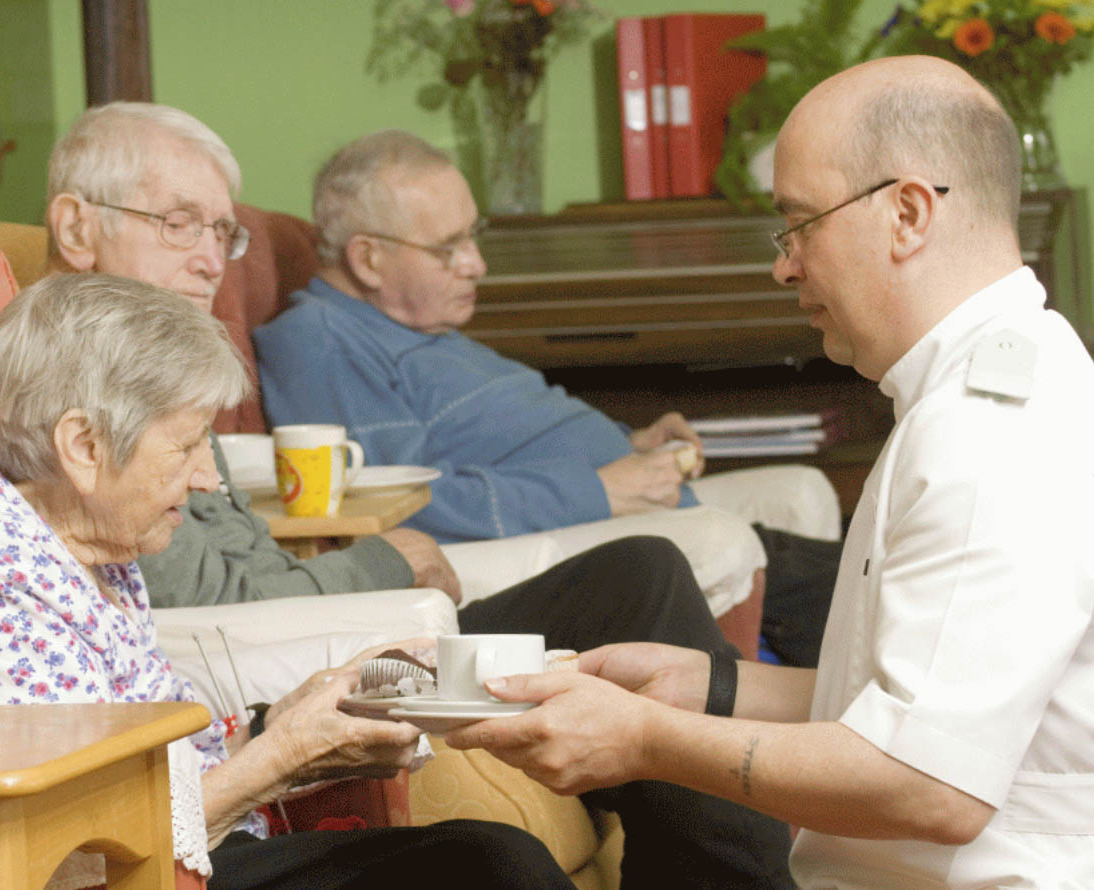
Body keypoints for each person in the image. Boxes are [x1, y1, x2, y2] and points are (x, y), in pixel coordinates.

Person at [42, 101, 796, 889]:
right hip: (300, 669)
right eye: (177, 225)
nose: (209, 260)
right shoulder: (73, 374)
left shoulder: (159, 358)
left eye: (219, 234)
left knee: (640, 572)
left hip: (327, 647)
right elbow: (206, 592)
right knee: (500, 851)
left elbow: (237, 560)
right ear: (76, 227)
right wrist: (384, 560)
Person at [443, 56, 1094, 889]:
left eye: (801, 224)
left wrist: (646, 741)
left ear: (907, 213)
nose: (784, 266)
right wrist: (709, 686)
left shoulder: (985, 433)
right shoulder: (984, 387)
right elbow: (935, 703)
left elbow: (931, 784)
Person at [0, 273, 579, 890]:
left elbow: (138, 762)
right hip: (120, 873)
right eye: (189, 445)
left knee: (482, 859)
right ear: (83, 444)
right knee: (488, 867)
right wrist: (285, 756)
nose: (204, 479)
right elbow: (71, 856)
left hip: (182, 850)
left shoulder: (80, 529)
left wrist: (290, 718)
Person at [253, 128, 843, 667]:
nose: (476, 265)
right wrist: (596, 489)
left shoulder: (415, 323)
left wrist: (625, 442)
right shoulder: (321, 341)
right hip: (514, 541)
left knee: (802, 491)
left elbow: (496, 435)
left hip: (589, 503)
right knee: (788, 564)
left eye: (473, 237)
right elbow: (395, 500)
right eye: (448, 248)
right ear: (367, 258)